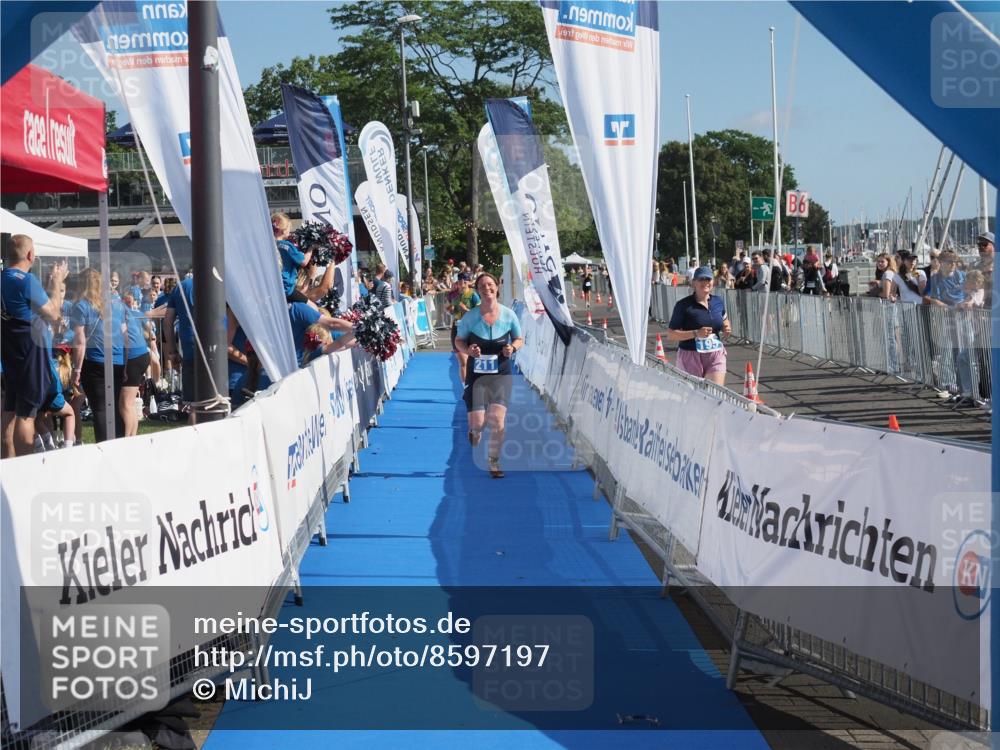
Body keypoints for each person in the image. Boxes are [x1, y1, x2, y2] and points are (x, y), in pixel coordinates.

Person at [1, 235, 68, 455]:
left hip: (11, 353)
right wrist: (57, 283)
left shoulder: (3, 278)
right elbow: (53, 313)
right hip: (31, 353)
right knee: (26, 414)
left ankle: (7, 468)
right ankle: (23, 466)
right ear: (31, 255)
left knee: (9, 411)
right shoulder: (26, 280)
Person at [453, 273, 523, 479]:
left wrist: (512, 348)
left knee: (497, 420)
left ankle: (494, 461)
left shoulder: (509, 315)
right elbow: (458, 341)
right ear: (477, 290)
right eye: (482, 286)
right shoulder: (470, 317)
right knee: (477, 424)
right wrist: (468, 350)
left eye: (490, 284)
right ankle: (474, 431)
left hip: (501, 374)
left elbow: (519, 338)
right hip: (477, 377)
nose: (487, 288)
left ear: (497, 288)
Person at [70, 267, 127, 442]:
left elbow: (80, 341)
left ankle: (104, 445)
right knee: (116, 407)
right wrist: (126, 363)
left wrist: (76, 370)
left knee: (100, 408)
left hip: (94, 361)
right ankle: (119, 443)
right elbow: (125, 336)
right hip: (117, 359)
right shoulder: (117, 304)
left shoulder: (81, 306)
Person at [666, 266, 731, 386]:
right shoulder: (683, 305)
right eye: (701, 279)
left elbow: (724, 318)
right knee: (694, 397)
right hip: (690, 355)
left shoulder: (718, 301)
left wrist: (726, 327)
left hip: (715, 353)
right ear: (694, 283)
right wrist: (696, 333)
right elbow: (671, 334)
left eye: (709, 279)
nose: (706, 282)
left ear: (713, 282)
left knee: (715, 393)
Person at [273, 212, 312, 303]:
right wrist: (311, 248)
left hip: (275, 286)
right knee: (313, 307)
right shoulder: (287, 246)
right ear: (283, 230)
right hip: (286, 288)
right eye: (289, 229)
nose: (290, 232)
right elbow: (303, 261)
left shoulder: (270, 244)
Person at [447, 274, 480, 382]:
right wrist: (450, 310)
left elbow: (479, 313)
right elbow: (452, 311)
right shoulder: (454, 296)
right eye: (460, 281)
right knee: (463, 361)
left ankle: (473, 384)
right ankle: (465, 388)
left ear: (469, 282)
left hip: (471, 329)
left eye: (465, 281)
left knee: (471, 360)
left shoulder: (473, 295)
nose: (462, 283)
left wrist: (466, 309)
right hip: (457, 328)